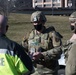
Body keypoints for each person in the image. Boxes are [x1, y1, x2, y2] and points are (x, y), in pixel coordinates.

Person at [22, 11, 63, 75]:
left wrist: (42, 55)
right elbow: (23, 48)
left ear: (43, 22)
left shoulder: (52, 34)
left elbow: (59, 50)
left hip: (49, 71)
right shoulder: (29, 35)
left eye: (38, 22)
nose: (36, 24)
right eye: (34, 22)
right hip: (35, 70)